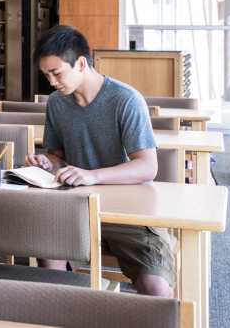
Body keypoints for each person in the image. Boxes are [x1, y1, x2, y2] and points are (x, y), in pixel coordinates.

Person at [26, 25, 175, 297]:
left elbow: (147, 167)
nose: (51, 82)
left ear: (81, 63)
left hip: (129, 213)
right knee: (48, 267)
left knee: (155, 289)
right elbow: (57, 157)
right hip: (76, 208)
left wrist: (92, 175)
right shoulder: (57, 103)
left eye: (56, 73)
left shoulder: (125, 99)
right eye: (46, 75)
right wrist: (49, 165)